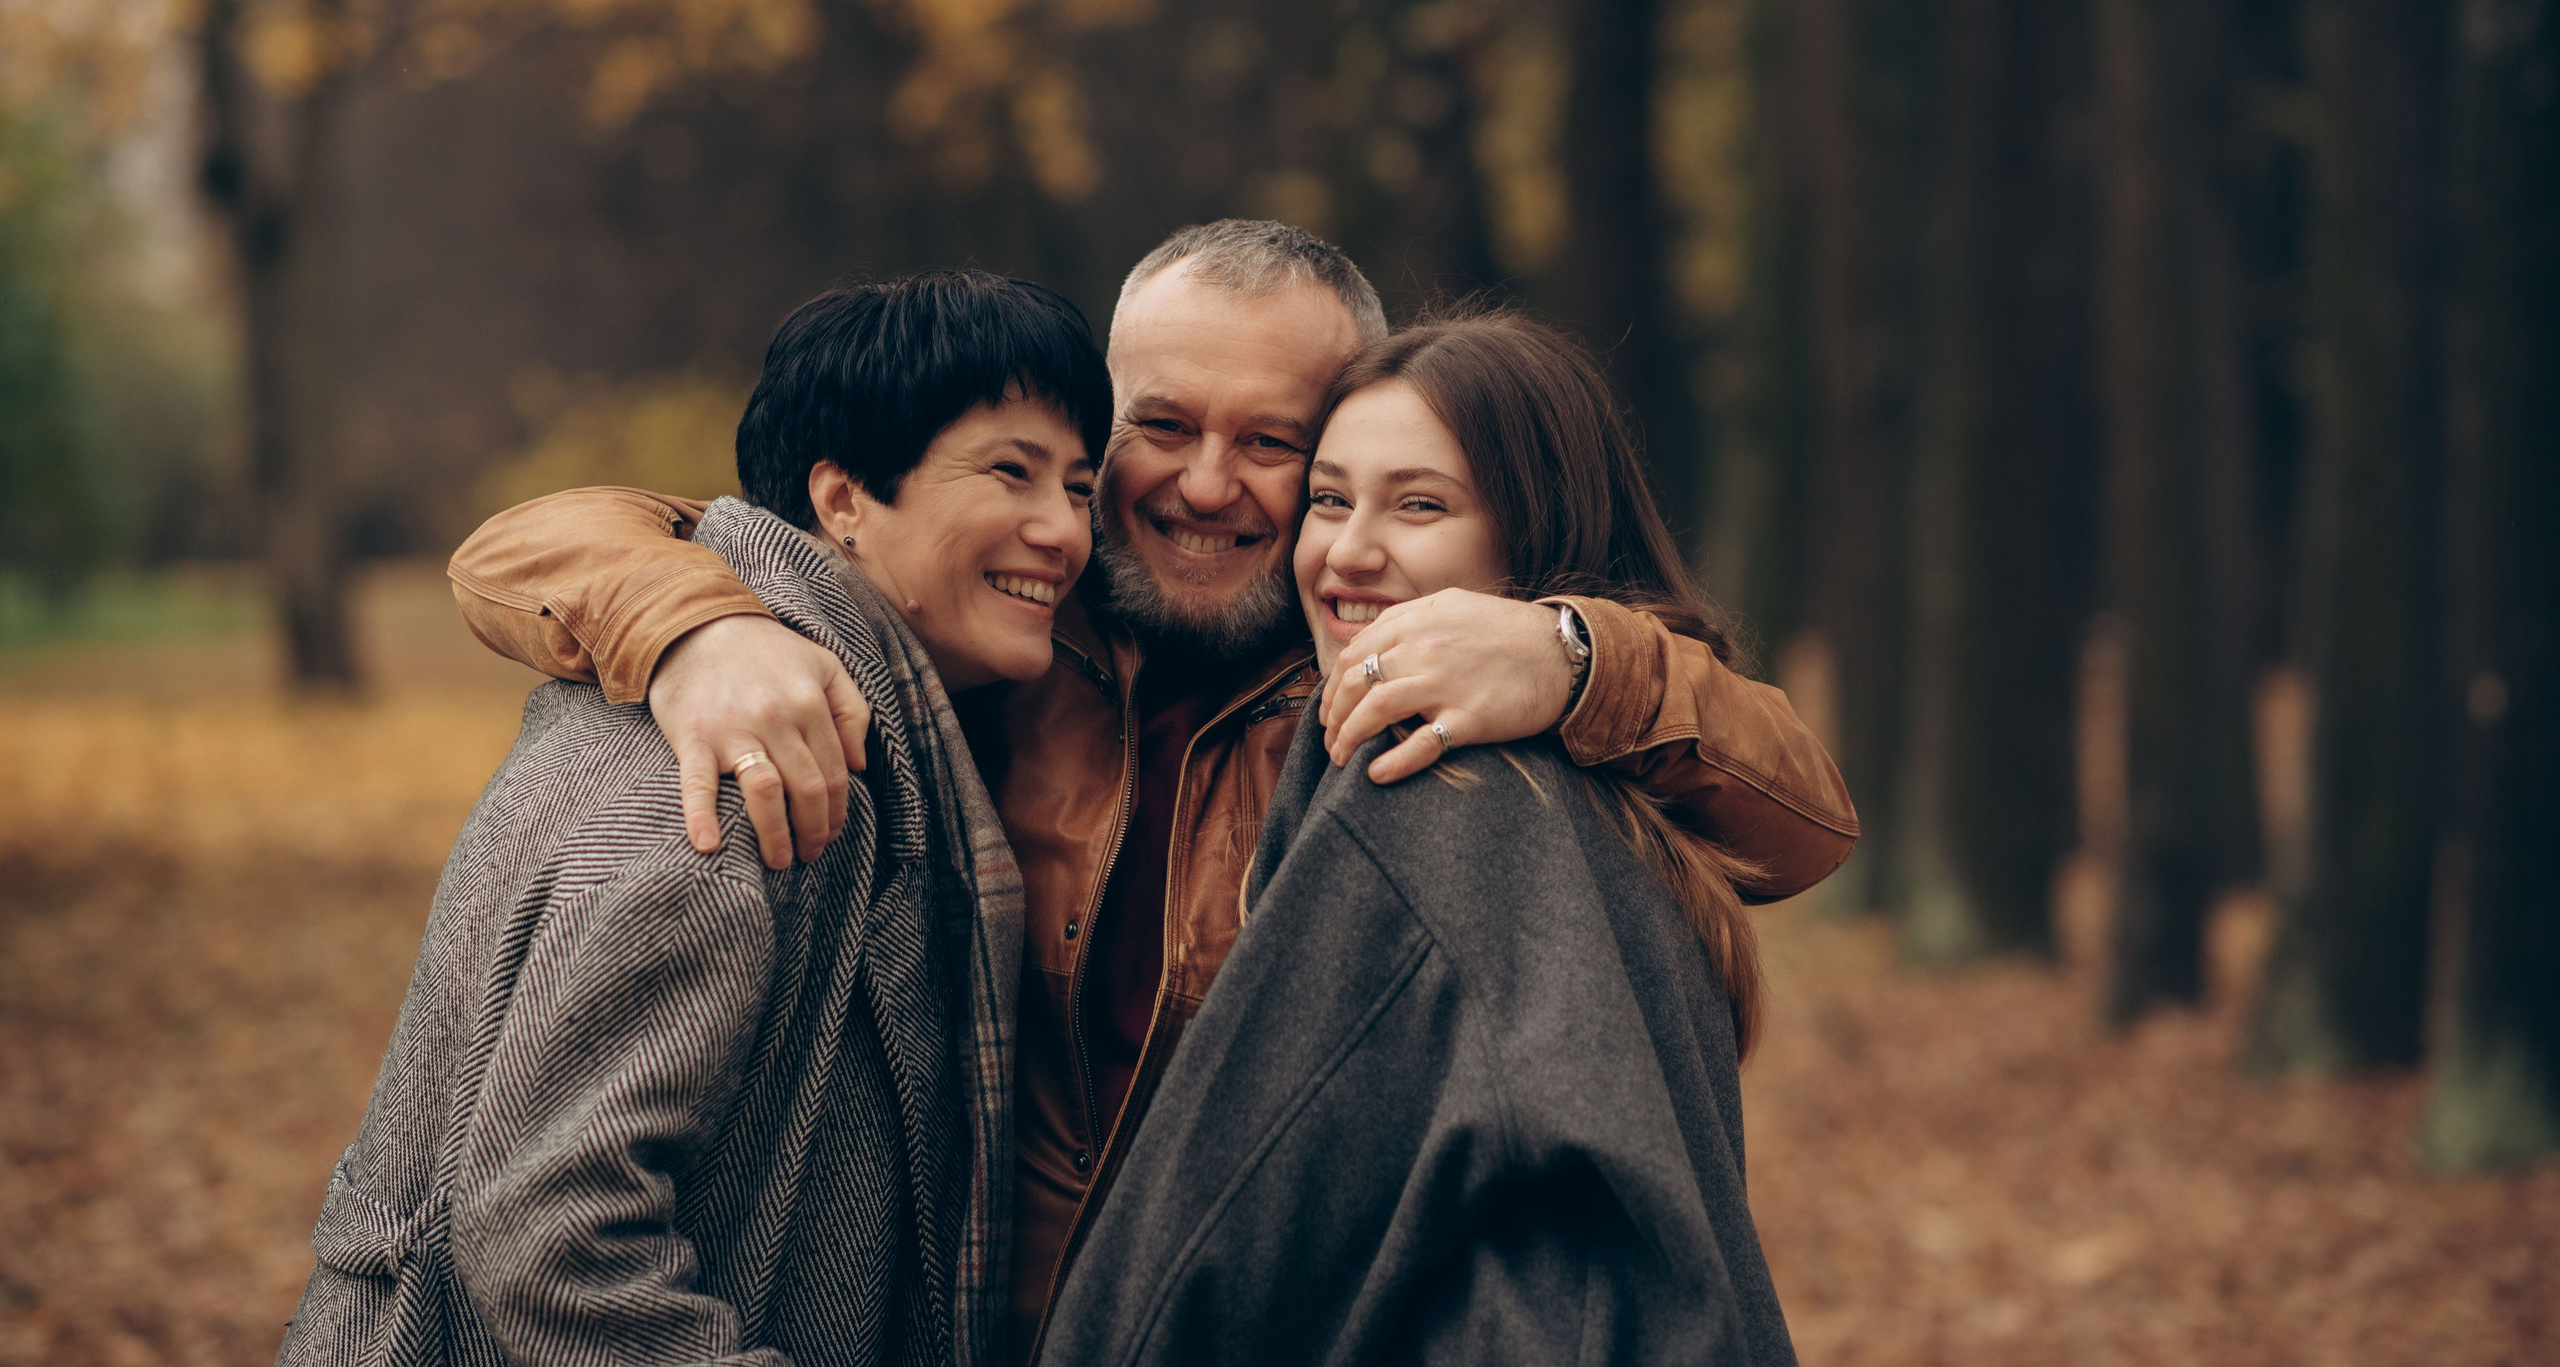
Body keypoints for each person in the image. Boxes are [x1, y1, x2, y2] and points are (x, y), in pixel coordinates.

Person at [445, 219, 1856, 1360]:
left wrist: (1569, 651)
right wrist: (698, 629)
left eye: (1270, 443)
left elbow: (1799, 824)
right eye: (1163, 426)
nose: (1205, 484)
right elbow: (530, 547)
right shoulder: (1004, 629)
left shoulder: (1406, 708)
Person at [278, 271, 1111, 1367]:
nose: (1063, 529)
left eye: (1084, 487)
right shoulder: (742, 776)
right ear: (845, 498)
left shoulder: (809, 703)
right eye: (1011, 471)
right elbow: (550, 1233)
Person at [1043, 310, 1795, 1366]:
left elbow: (1228, 1222)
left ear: (1531, 534)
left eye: (1420, 504)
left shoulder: (1437, 792)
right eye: (1330, 498)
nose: (1348, 550)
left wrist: (1570, 651)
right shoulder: (1595, 792)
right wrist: (722, 611)